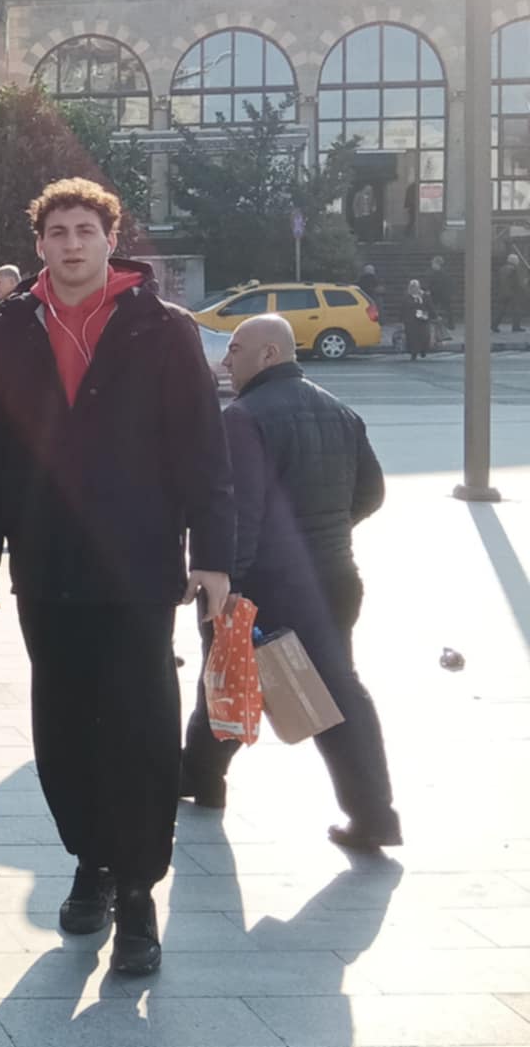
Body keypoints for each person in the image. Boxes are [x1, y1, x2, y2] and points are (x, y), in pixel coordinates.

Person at [0, 178, 234, 979]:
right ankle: (91, 860)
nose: (72, 243)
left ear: (111, 240)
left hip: (140, 565)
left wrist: (212, 554)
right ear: (39, 243)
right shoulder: (12, 330)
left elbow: (202, 450)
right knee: (65, 724)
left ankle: (139, 893)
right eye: (57, 230)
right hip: (47, 563)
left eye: (86, 229)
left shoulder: (162, 329)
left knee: (142, 728)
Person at [183, 315, 399, 846]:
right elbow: (371, 493)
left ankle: (204, 781)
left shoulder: (244, 417)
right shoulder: (339, 409)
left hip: (267, 584)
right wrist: (325, 530)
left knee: (233, 679)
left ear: (269, 355)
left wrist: (228, 584)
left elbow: (244, 511)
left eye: (235, 349)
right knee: (330, 689)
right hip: (335, 577)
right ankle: (372, 814)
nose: (226, 360)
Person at [495, 252, 529, 334]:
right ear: (514, 261)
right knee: (517, 310)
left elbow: (499, 281)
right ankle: (516, 327)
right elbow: (518, 282)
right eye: (517, 260)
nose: (518, 261)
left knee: (501, 310)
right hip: (513, 293)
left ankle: (494, 325)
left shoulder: (502, 269)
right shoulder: (514, 270)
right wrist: (526, 281)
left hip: (502, 292)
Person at [404, 279, 434, 360]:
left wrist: (435, 315)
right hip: (411, 320)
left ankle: (423, 350)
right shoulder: (407, 296)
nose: (414, 289)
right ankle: (414, 353)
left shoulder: (424, 295)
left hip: (423, 319)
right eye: (412, 287)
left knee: (425, 335)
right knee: (413, 338)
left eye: (416, 287)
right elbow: (403, 308)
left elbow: (430, 306)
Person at [425, 255, 456, 331]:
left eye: (434, 264)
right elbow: (430, 283)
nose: (432, 265)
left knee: (448, 309)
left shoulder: (444, 274)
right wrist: (428, 290)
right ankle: (433, 323)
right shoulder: (432, 273)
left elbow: (449, 284)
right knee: (432, 307)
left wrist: (448, 294)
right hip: (436, 295)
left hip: (442, 295)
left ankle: (450, 324)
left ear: (438, 264)